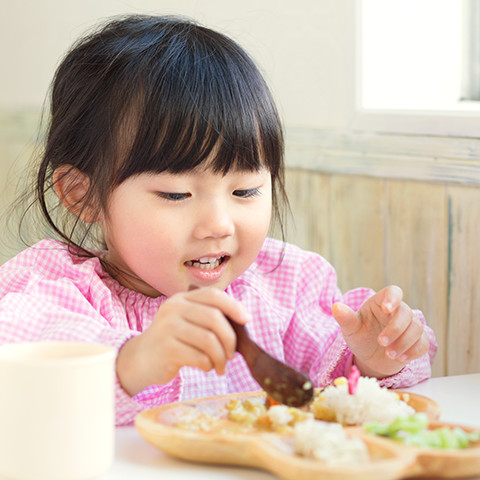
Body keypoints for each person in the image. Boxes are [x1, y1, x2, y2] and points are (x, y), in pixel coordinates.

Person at [0, 15, 437, 425]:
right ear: (82, 194)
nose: (218, 225)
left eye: (245, 191)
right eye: (176, 194)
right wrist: (133, 362)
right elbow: (21, 379)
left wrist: (372, 358)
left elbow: (330, 380)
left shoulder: (283, 284)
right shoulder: (52, 287)